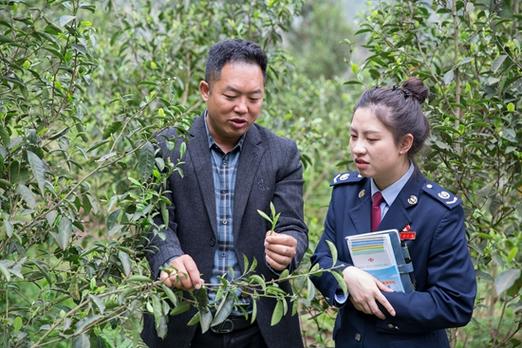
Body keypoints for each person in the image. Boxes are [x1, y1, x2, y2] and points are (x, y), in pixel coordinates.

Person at [141, 39, 308, 348]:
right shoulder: (166, 147)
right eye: (231, 95)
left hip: (261, 330)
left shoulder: (281, 154)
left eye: (254, 98)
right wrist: (170, 257)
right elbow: (152, 222)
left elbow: (293, 226)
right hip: (185, 327)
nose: (242, 108)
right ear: (206, 91)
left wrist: (289, 248)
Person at [311, 77, 476, 347]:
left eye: (371, 139)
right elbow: (320, 261)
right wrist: (347, 276)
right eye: (353, 136)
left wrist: (372, 295)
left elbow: (454, 302)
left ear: (404, 144)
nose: (357, 148)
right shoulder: (345, 194)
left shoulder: (437, 212)